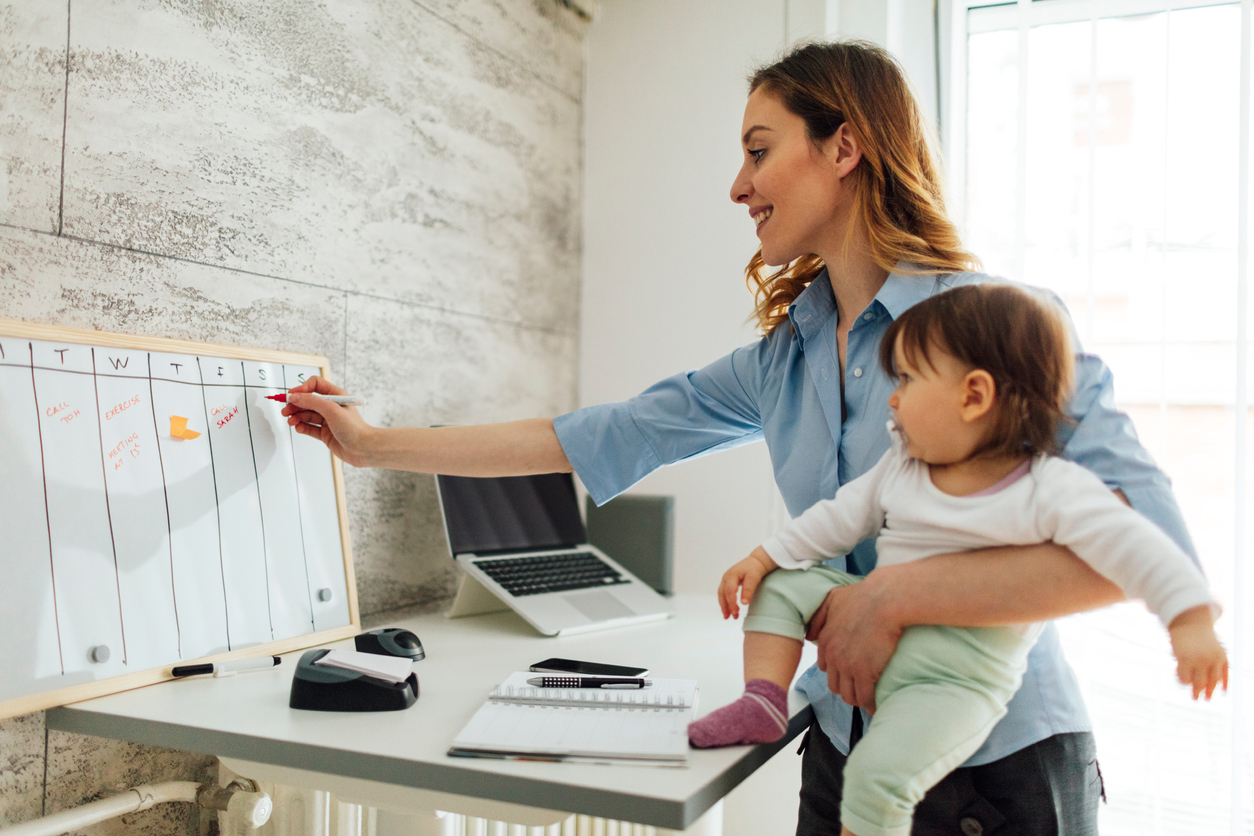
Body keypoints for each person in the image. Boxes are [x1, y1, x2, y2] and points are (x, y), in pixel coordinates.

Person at [279, 40, 1204, 835]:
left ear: (845, 146)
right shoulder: (785, 358)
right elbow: (597, 434)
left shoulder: (1000, 327)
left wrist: (902, 595)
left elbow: (1147, 548)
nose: (738, 185)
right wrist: (372, 446)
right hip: (841, 746)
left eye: (759, 151)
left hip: (994, 771)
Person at [686, 283, 1227, 836]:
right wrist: (764, 557)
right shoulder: (904, 467)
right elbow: (838, 517)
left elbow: (1141, 547)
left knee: (877, 775)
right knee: (784, 583)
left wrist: (1189, 622)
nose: (891, 399)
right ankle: (763, 700)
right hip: (880, 644)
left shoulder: (1048, 487)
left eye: (907, 380)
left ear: (974, 396)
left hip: (954, 682)